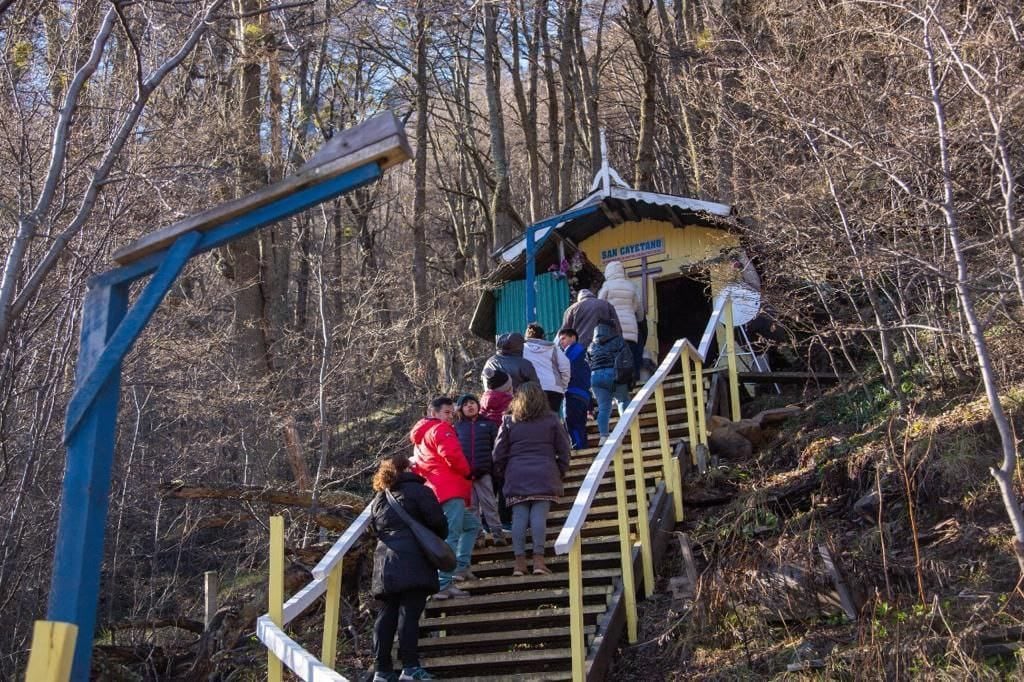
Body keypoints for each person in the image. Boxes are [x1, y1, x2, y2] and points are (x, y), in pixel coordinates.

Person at [369, 454, 447, 681]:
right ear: (408, 468)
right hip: (414, 560)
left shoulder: (380, 498)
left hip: (385, 563)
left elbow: (375, 529)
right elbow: (438, 525)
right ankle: (410, 668)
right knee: (409, 614)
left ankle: (382, 671)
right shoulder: (420, 492)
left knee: (386, 615)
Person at [492, 382, 571, 577]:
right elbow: (564, 449)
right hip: (545, 471)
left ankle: (519, 564)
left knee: (519, 517)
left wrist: (504, 471)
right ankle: (538, 560)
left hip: (516, 472)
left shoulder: (509, 421)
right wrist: (559, 470)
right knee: (538, 517)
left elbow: (498, 453)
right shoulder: (552, 420)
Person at [409, 396, 480, 599]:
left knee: (472, 525)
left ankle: (460, 567)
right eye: (446, 413)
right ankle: (443, 583)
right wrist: (468, 471)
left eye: (452, 413)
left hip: (435, 490)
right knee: (452, 534)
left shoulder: (420, 438)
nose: (450, 417)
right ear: (434, 413)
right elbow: (453, 455)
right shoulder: (441, 429)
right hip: (449, 488)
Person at [454, 393, 506, 547]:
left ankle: (498, 534)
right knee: (472, 507)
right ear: (461, 409)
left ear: (478, 405)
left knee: (489, 503)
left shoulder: (488, 424)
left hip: (484, 472)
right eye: (465, 404)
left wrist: (494, 468)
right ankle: (478, 537)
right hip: (465, 474)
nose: (470, 406)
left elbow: (496, 448)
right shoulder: (457, 427)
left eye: (472, 403)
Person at [587, 320, 631, 444]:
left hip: (596, 376)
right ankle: (626, 430)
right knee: (623, 401)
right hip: (614, 373)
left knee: (603, 408)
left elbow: (588, 361)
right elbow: (627, 358)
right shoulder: (618, 340)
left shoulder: (591, 345)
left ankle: (603, 436)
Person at [598, 261, 643, 382]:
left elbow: (600, 305)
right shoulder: (631, 286)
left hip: (614, 329)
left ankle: (621, 385)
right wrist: (632, 314)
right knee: (631, 355)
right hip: (631, 328)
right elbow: (638, 307)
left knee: (617, 358)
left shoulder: (607, 286)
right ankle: (633, 381)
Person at [522, 323, 570, 414]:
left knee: (534, 420)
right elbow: (565, 366)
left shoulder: (522, 349)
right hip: (553, 389)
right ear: (543, 336)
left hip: (532, 389)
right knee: (552, 421)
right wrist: (563, 386)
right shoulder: (553, 348)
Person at [557, 327, 592, 450]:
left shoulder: (571, 352)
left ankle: (578, 447)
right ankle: (582, 445)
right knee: (580, 424)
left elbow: (563, 371)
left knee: (571, 422)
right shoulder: (584, 352)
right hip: (584, 394)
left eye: (563, 338)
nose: (561, 342)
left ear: (573, 337)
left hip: (573, 392)